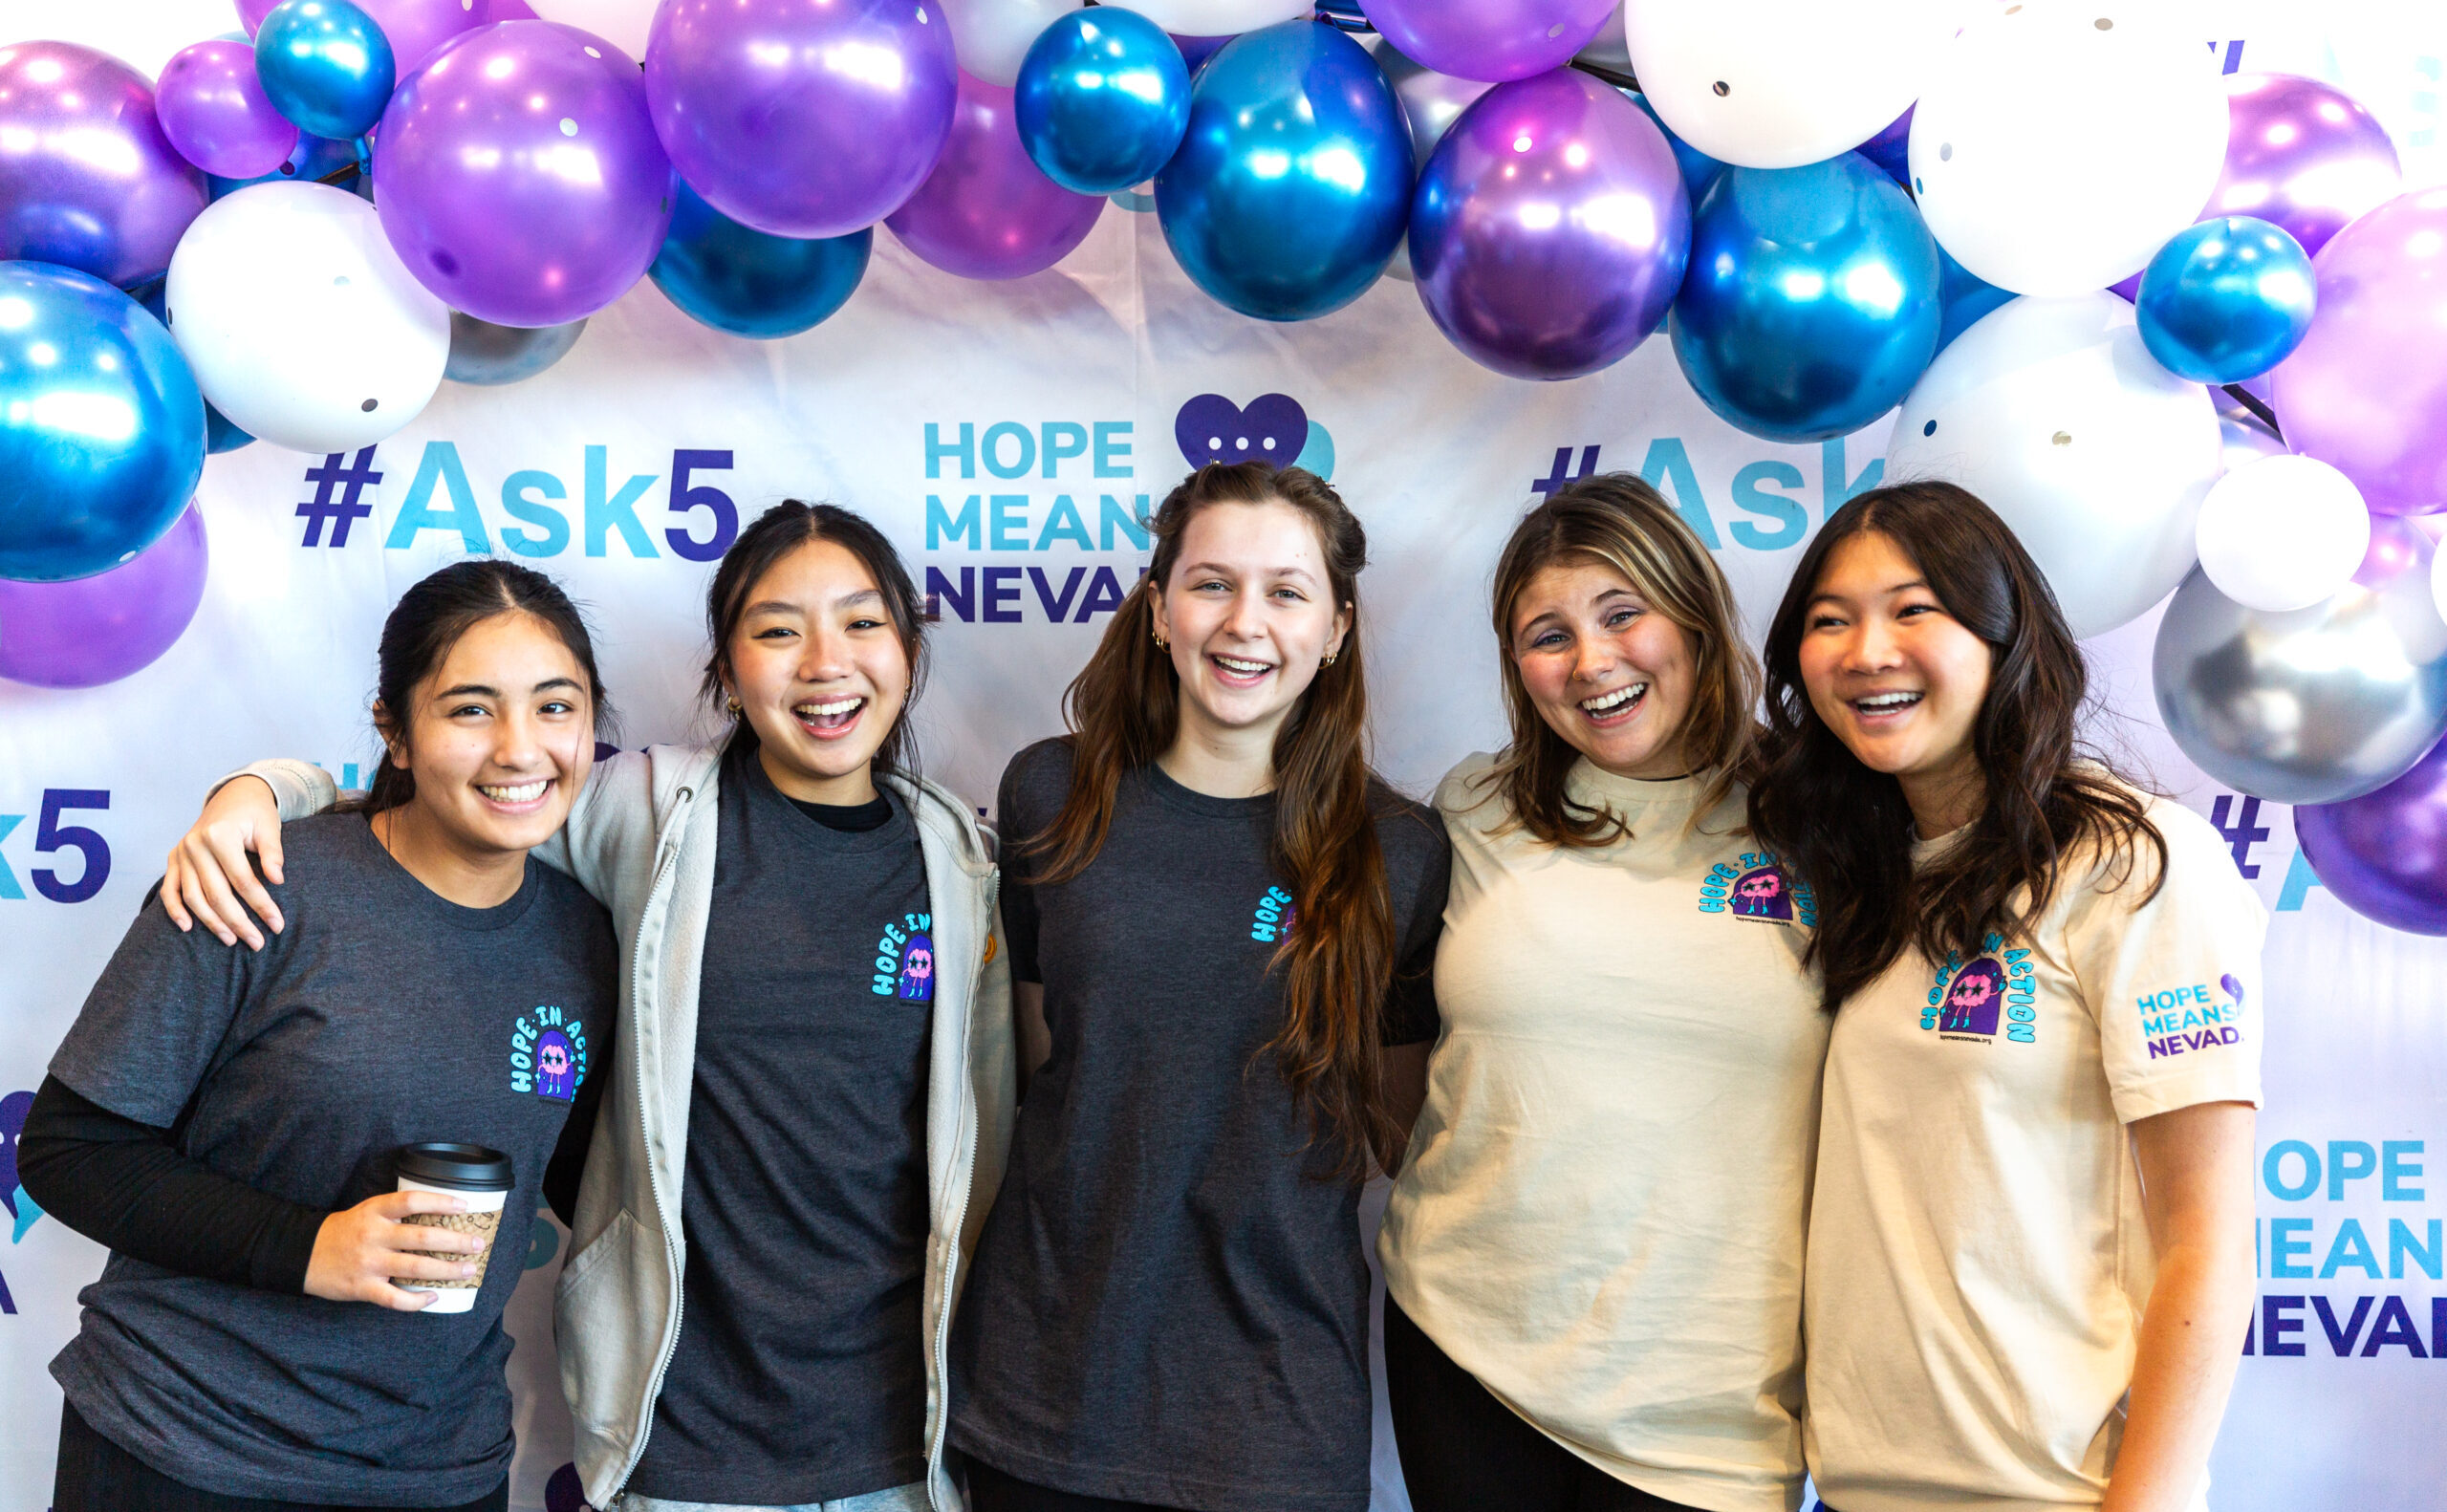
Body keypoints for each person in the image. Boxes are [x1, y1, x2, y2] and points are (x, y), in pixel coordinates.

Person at [160, 503, 1015, 1512]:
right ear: (726, 671)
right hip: (685, 1433)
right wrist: (261, 787)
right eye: (778, 630)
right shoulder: (646, 810)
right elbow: (436, 806)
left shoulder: (958, 854)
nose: (825, 662)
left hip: (901, 1445)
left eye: (862, 623)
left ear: (909, 651)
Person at [25, 560, 620, 1512]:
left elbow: (587, 1171)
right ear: (395, 728)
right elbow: (69, 1151)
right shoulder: (260, 883)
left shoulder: (585, 936)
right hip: (189, 1444)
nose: (520, 748)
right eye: (470, 709)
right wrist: (309, 1248)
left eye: (556, 707)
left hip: (439, 1467)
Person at [1745, 483, 2263, 1512]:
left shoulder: (2132, 864)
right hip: (1856, 1489)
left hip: (2057, 1494)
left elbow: (2206, 1241)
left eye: (1912, 608)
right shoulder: (1858, 877)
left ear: (2001, 633)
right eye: (1828, 620)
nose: (1865, 650)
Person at [949, 461, 1450, 1512]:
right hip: (1043, 1389)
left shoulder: (1399, 851)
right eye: (1211, 582)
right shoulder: (1049, 792)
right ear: (1158, 606)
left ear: (1339, 626)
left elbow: (1393, 1125)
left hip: (1273, 1411)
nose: (1244, 622)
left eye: (1286, 590)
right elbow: (1044, 1064)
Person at [1375, 476, 1830, 1512]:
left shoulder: (1823, 820)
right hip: (1467, 1356)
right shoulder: (1474, 805)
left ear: (1696, 619)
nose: (1591, 662)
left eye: (1623, 614)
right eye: (1547, 633)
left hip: (1716, 1404)